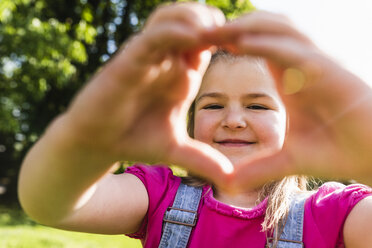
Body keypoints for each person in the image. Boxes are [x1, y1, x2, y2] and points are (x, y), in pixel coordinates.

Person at [18, 2, 372, 247]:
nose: (233, 120)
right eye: (213, 104)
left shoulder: (333, 213)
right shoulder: (159, 195)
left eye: (258, 105)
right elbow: (51, 203)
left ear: (293, 124)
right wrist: (87, 140)